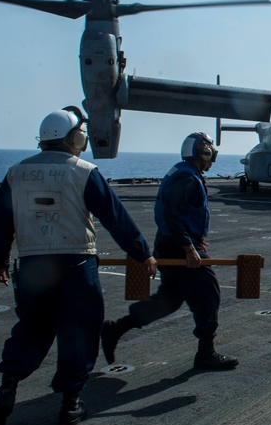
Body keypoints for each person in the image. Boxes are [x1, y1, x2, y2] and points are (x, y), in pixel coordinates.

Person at [0, 107, 157, 425]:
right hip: (76, 266)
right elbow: (114, 216)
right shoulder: (83, 171)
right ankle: (70, 405)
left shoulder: (16, 173)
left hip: (34, 266)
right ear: (75, 137)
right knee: (79, 332)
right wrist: (141, 252)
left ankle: (8, 387)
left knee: (31, 328)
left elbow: (1, 222)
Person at [101, 132, 239, 371]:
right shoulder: (187, 177)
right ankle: (206, 353)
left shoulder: (182, 172)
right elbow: (171, 214)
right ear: (203, 152)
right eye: (209, 152)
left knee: (169, 300)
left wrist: (194, 239)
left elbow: (179, 213)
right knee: (208, 294)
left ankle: (117, 328)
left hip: (170, 242)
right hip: (178, 245)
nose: (212, 158)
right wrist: (188, 247)